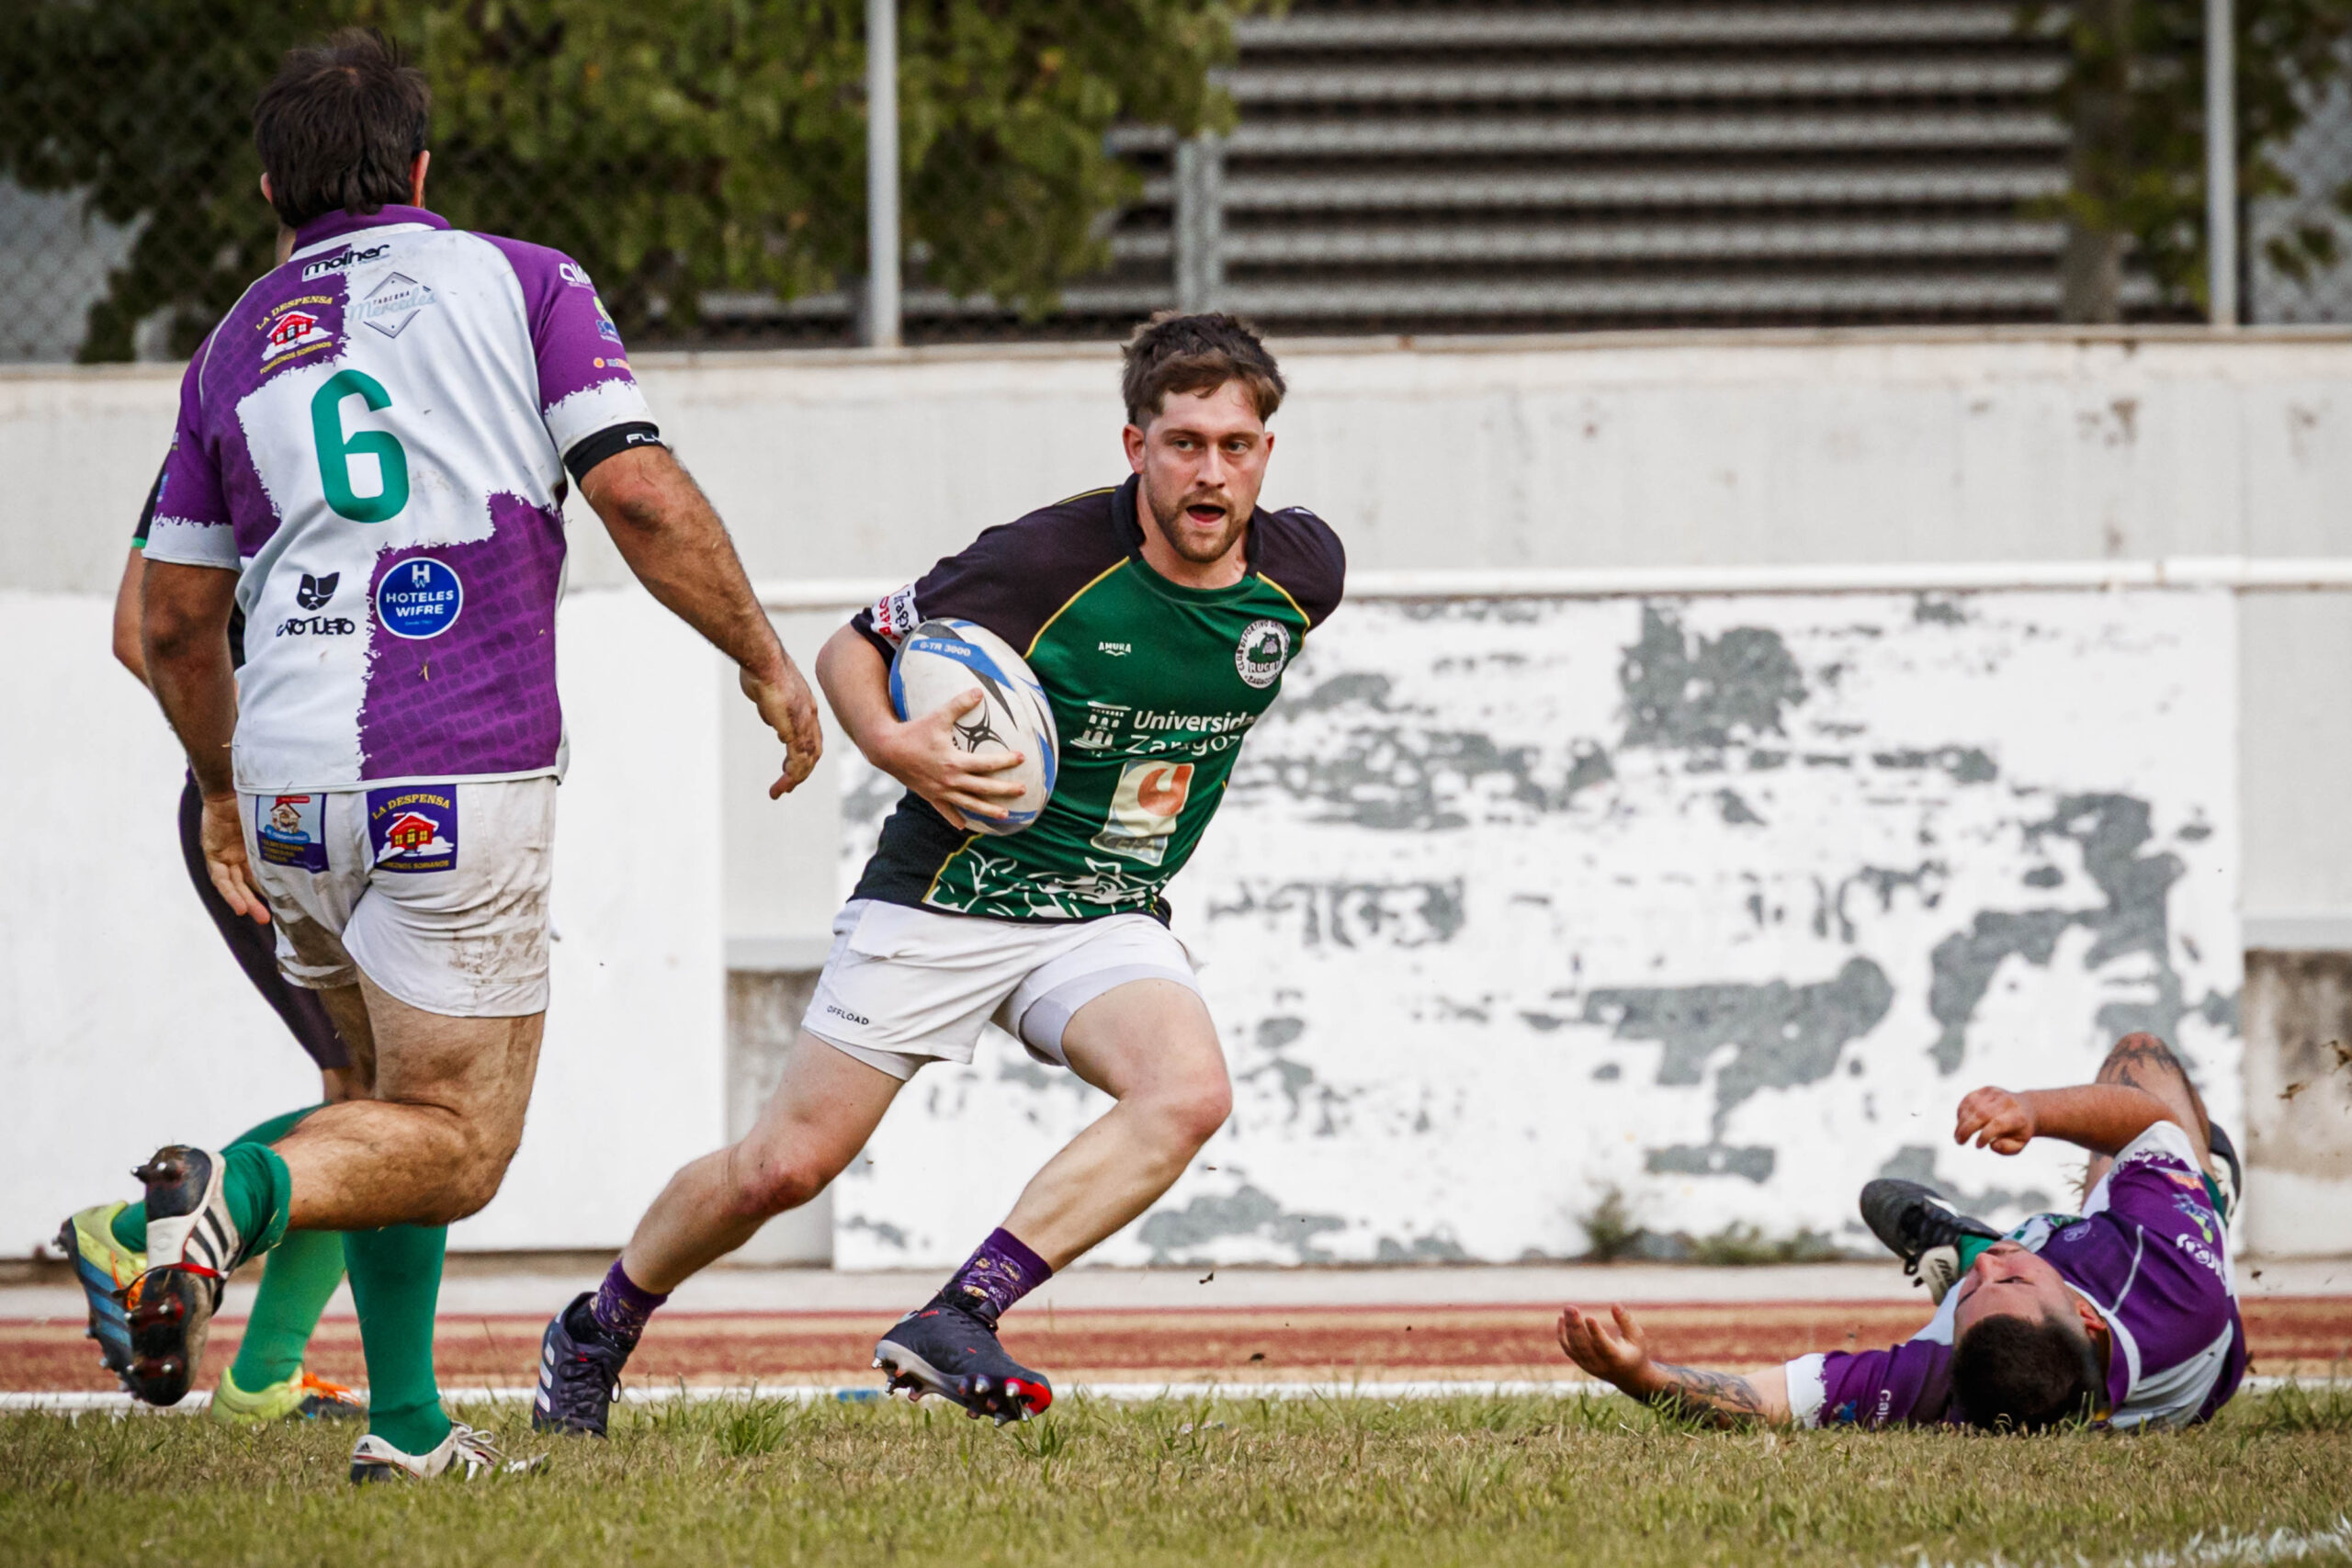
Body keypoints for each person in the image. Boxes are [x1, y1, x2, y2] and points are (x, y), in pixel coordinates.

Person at [80, 28, 821, 1483]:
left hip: (290, 779)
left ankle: (408, 1425)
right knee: (459, 1139)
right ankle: (226, 1193)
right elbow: (640, 494)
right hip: (455, 762)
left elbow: (168, 620)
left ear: (272, 191)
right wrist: (761, 651)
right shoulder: (522, 278)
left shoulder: (235, 338)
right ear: (421, 167)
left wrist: (223, 781)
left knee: (377, 1094)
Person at [530, 310, 1345, 1434]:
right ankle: (596, 1326)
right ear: (1133, 448)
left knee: (1187, 1091)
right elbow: (853, 648)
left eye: (1236, 445)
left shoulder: (1303, 573)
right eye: (1183, 443)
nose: (1211, 472)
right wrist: (891, 741)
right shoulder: (1046, 560)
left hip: (1099, 914)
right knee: (782, 1169)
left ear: (1266, 452)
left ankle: (962, 1313)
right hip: (947, 893)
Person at [58, 459, 367, 1427]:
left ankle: (260, 1371)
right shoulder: (245, 412)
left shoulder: (251, 398)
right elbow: (136, 632)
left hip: (341, 801)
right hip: (278, 811)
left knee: (374, 1095)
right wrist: (253, 770)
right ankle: (138, 1242)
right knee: (387, 1102)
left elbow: (134, 630)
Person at [1556, 1032, 2246, 1432]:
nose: (1993, 1266)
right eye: (1996, 1275)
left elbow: (1763, 1401)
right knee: (2145, 1058)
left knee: (2005, 1263)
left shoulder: (1937, 1375)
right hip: (2187, 1342)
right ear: (2088, 1321)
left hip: (2057, 1330)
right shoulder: (2170, 1278)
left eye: (1973, 1288)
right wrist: (2032, 1110)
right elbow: (2145, 1118)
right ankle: (2212, 1184)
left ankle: (1956, 1243)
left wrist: (1642, 1376)